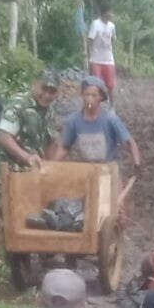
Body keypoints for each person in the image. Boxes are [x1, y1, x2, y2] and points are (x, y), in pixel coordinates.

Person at [58, 75, 141, 219]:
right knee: (81, 213)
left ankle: (118, 236)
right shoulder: (74, 121)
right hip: (87, 171)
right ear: (82, 96)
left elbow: (129, 142)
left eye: (93, 95)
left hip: (109, 170)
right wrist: (52, 165)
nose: (89, 98)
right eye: (86, 94)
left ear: (101, 98)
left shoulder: (110, 119)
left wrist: (137, 164)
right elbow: (65, 146)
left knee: (117, 213)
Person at [0, 70, 59, 174]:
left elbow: (51, 142)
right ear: (34, 84)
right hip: (10, 172)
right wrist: (27, 158)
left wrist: (48, 166)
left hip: (33, 173)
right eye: (44, 89)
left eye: (52, 92)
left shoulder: (50, 112)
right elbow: (4, 136)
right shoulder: (19, 104)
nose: (47, 95)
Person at [88, 4, 118, 108]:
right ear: (104, 13)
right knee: (96, 85)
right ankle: (96, 106)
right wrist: (89, 55)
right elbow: (90, 40)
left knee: (111, 85)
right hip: (96, 60)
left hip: (108, 60)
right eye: (110, 12)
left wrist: (111, 51)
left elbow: (113, 40)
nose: (111, 14)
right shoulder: (95, 24)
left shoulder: (112, 26)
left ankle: (112, 106)